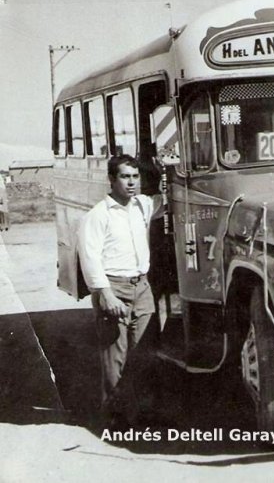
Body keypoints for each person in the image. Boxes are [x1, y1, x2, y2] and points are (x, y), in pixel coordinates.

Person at [78, 154, 162, 427]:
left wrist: (165, 169)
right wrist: (107, 295)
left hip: (142, 286)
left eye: (135, 177)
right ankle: (116, 417)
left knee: (146, 351)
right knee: (116, 355)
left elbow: (169, 198)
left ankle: (146, 412)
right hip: (114, 287)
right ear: (112, 179)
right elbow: (89, 258)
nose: (131, 182)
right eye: (125, 177)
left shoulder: (143, 206)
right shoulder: (98, 216)